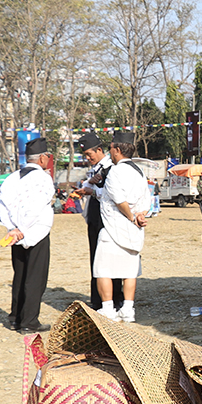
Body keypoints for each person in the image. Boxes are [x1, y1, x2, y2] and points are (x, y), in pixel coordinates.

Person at [0, 137, 55, 332]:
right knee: (35, 277)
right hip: (35, 232)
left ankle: (15, 317)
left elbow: (2, 204)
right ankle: (29, 321)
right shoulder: (43, 177)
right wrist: (23, 228)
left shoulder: (13, 177)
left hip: (15, 233)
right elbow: (37, 206)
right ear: (42, 158)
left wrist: (12, 227)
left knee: (20, 275)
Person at [93, 131, 151, 322]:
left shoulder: (116, 171)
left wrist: (132, 216)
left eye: (110, 147)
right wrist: (141, 215)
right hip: (133, 229)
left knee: (103, 270)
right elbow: (146, 200)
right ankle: (128, 309)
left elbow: (119, 200)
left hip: (113, 226)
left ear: (117, 150)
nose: (109, 151)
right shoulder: (139, 170)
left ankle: (108, 308)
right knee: (129, 271)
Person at [74, 132, 123, 312]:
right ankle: (97, 299)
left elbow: (112, 195)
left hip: (107, 218)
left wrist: (91, 191)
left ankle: (115, 298)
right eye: (85, 155)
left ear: (100, 150)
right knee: (95, 258)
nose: (88, 158)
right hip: (94, 216)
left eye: (89, 154)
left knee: (109, 259)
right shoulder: (95, 170)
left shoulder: (111, 168)